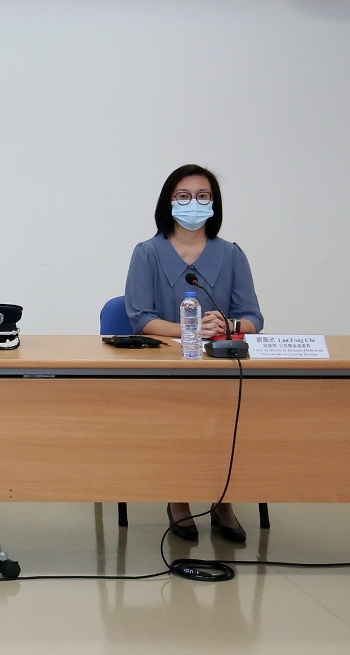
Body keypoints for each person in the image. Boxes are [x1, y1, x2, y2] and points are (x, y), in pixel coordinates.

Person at [124, 163, 262, 543]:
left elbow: (253, 317)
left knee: (232, 415)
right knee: (177, 416)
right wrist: (191, 330)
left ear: (214, 205)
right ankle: (179, 499)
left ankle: (223, 500)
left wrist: (227, 326)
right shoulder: (147, 253)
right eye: (183, 196)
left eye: (203, 196)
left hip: (220, 365)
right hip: (164, 366)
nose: (193, 203)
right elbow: (140, 318)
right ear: (168, 203)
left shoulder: (230, 254)